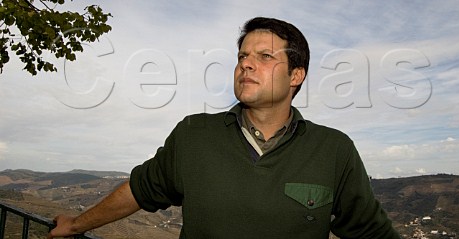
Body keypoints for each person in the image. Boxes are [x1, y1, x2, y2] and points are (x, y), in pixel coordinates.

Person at [48, 17, 400, 239]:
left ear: (296, 76)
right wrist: (76, 225)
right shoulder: (194, 135)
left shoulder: (334, 150)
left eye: (265, 57)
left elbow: (371, 231)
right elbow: (139, 190)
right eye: (242, 56)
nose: (246, 63)